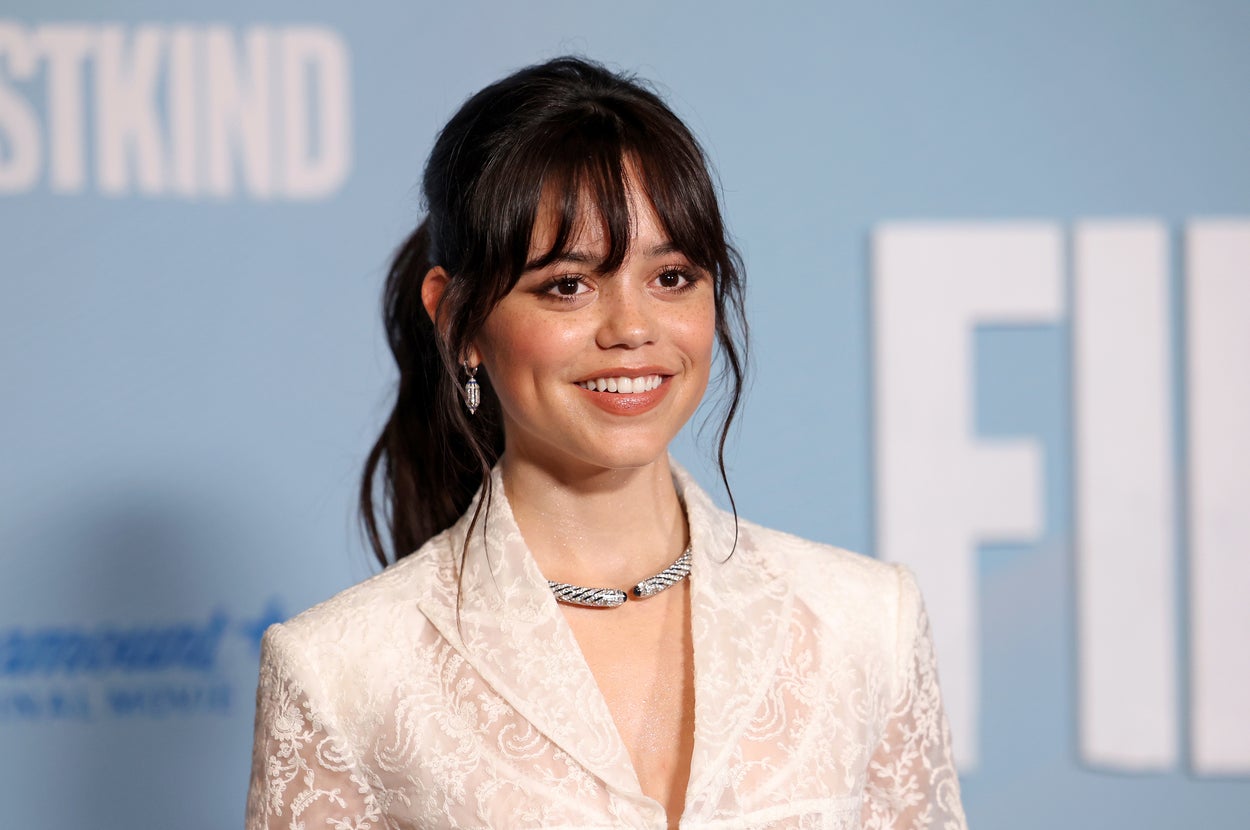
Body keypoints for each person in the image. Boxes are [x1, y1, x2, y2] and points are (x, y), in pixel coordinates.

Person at [246, 56, 966, 830]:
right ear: (458, 321)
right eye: (568, 285)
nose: (632, 330)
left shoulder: (864, 625)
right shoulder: (342, 671)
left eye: (672, 277)